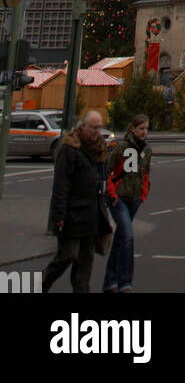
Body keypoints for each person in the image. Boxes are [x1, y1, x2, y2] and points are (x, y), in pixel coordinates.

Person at [44, 109, 110, 294]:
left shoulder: (100, 149)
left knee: (85, 262)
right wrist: (59, 215)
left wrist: (104, 201)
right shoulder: (70, 149)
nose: (96, 131)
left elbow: (103, 178)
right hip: (71, 214)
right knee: (66, 256)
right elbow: (60, 185)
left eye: (99, 127)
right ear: (83, 126)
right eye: (93, 127)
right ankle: (40, 284)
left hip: (91, 214)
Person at [103, 113, 151, 294]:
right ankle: (125, 283)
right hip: (119, 198)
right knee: (128, 237)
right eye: (141, 129)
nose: (144, 132)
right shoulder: (122, 147)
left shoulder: (147, 150)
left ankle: (109, 282)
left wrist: (143, 194)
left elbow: (145, 173)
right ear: (133, 128)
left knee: (121, 239)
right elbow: (107, 170)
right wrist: (112, 194)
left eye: (146, 128)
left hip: (134, 199)